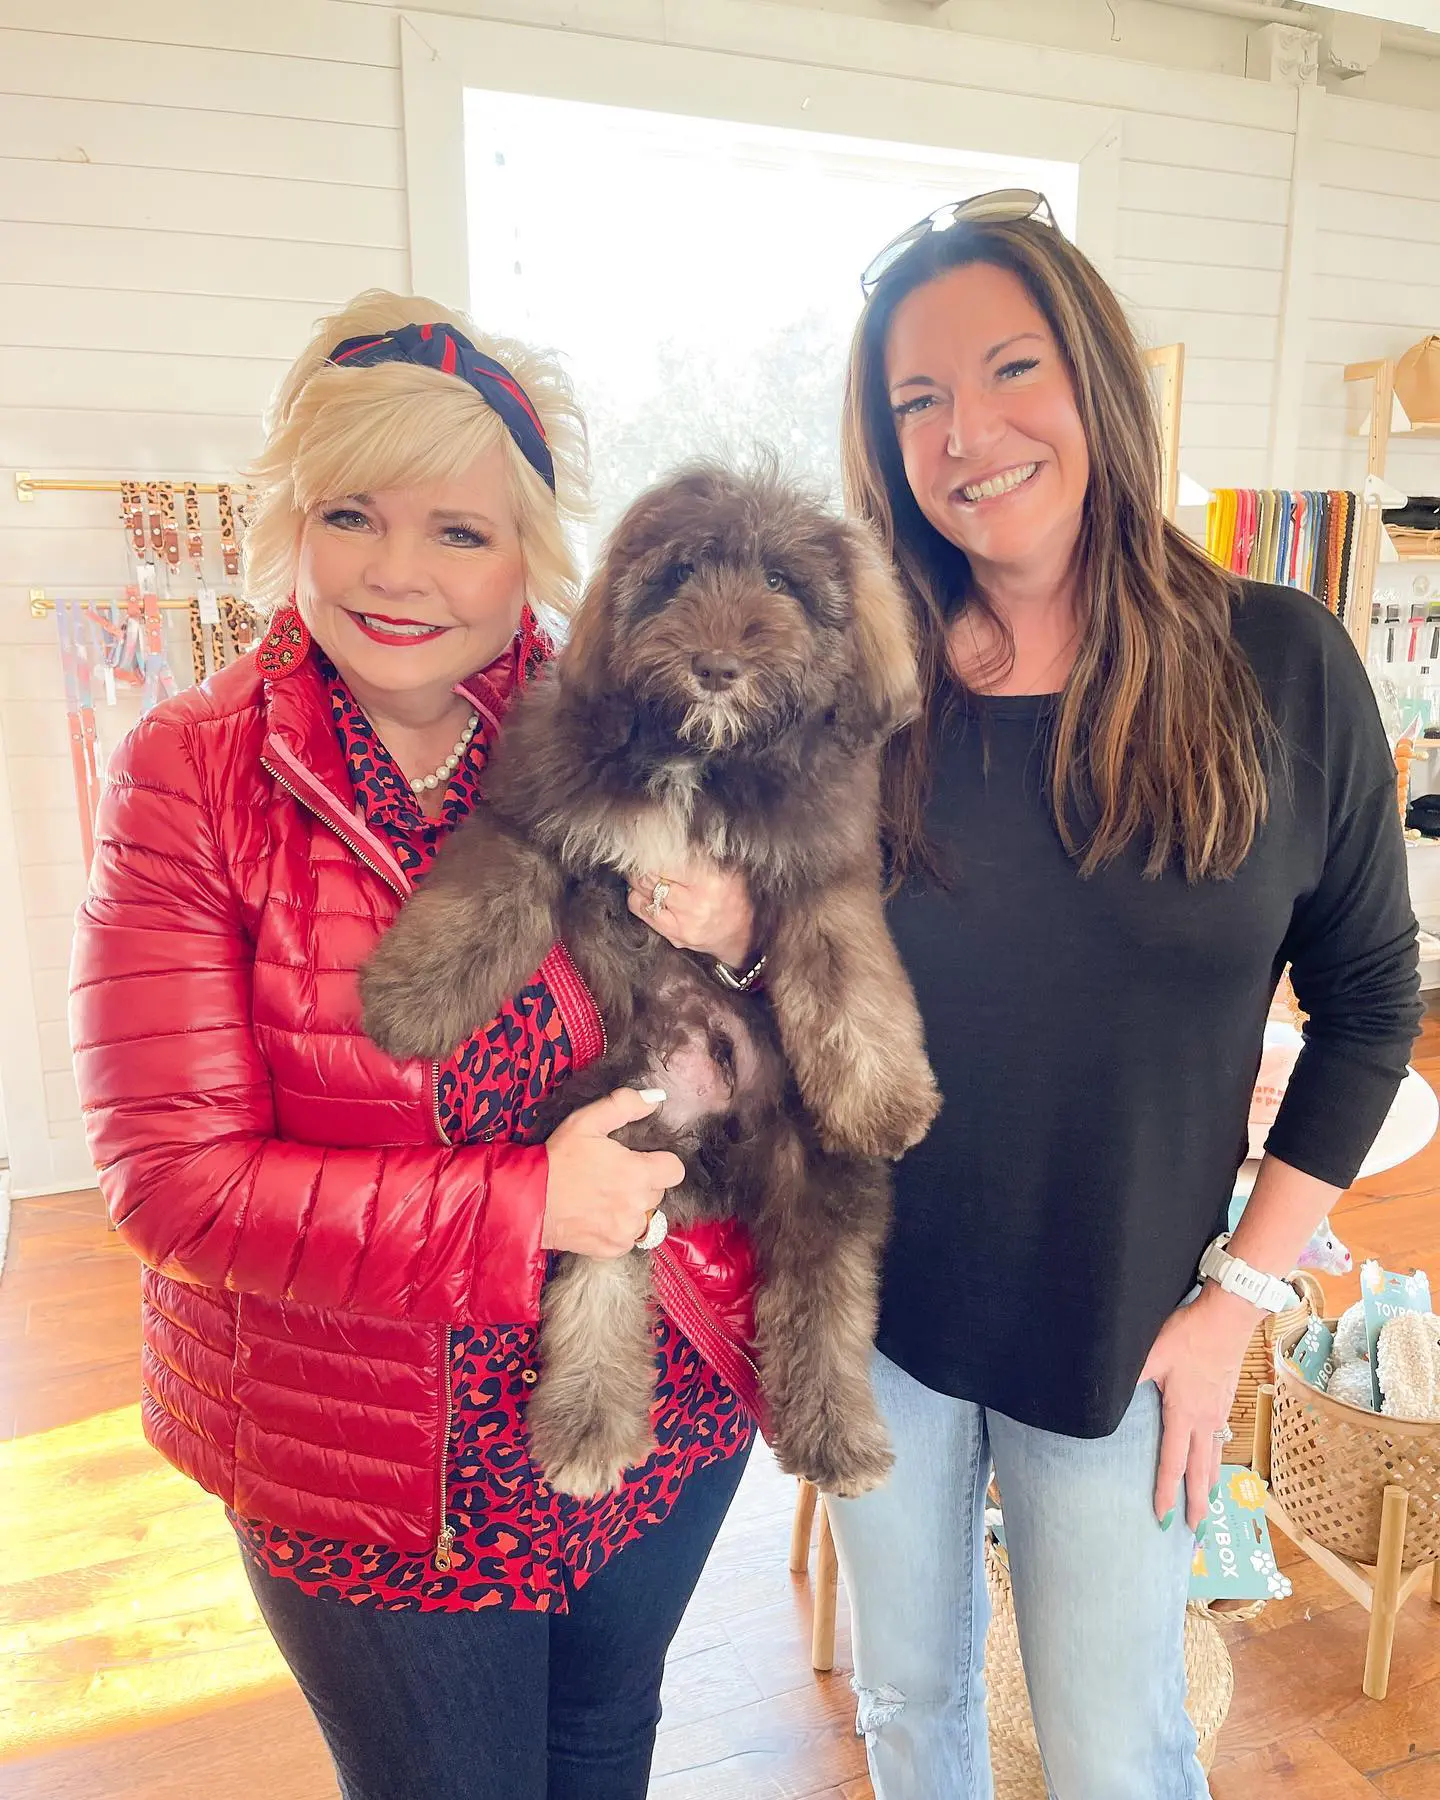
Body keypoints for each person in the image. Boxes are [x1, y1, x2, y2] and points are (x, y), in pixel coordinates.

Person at [69, 290, 763, 1800]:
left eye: (461, 531)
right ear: (290, 523)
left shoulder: (619, 728)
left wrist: (750, 926)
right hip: (374, 1460)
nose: (398, 574)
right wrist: (528, 1207)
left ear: (529, 554)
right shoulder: (196, 774)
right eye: (353, 514)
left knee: (602, 1747)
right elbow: (173, 1186)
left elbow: (783, 993)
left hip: (654, 1394)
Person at [825, 191, 1422, 1799]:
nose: (970, 432)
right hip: (868, 1306)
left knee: (1112, 1747)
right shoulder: (859, 688)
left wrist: (1242, 1297)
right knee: (910, 1711)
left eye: (1013, 370)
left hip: (1127, 1318)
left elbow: (1370, 1003)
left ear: (1097, 379)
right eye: (917, 399)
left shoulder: (1279, 663)